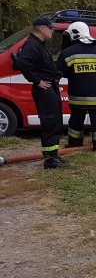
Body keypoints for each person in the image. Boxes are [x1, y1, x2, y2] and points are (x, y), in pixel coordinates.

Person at [14, 17, 68, 169]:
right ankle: (50, 160)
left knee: (55, 121)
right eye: (50, 28)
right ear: (42, 29)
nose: (52, 31)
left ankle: (53, 155)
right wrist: (37, 81)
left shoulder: (39, 45)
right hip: (44, 89)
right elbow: (22, 62)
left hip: (50, 87)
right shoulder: (32, 45)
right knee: (50, 122)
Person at [56, 22, 96, 152]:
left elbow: (58, 72)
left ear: (74, 34)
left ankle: (74, 144)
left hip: (77, 96)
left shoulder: (68, 53)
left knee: (76, 120)